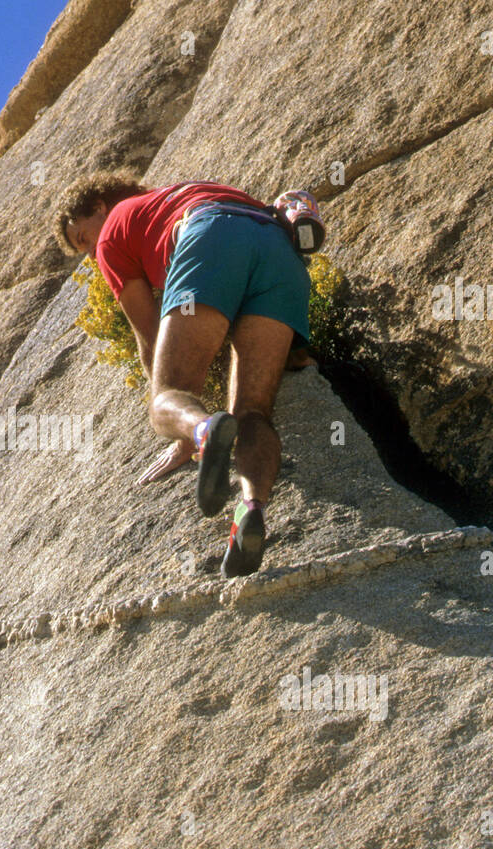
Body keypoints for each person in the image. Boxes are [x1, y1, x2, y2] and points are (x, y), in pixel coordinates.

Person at [54, 171, 314, 577]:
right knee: (253, 414)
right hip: (278, 248)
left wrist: (184, 427)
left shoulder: (114, 232)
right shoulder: (182, 193)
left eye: (82, 237)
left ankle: (206, 431)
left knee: (164, 399)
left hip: (208, 236)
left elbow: (149, 335)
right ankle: (251, 508)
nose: (89, 253)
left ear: (100, 206)